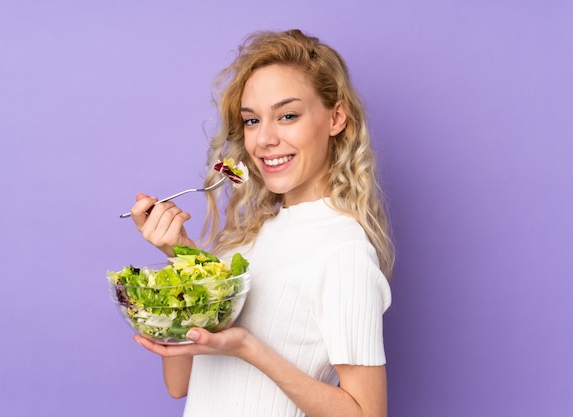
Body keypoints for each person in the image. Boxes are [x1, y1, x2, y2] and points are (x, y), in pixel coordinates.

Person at [129, 29, 394, 417]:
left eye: (287, 115)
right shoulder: (244, 241)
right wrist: (180, 256)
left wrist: (248, 348)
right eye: (252, 120)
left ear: (336, 117)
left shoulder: (343, 250)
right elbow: (180, 384)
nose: (264, 139)